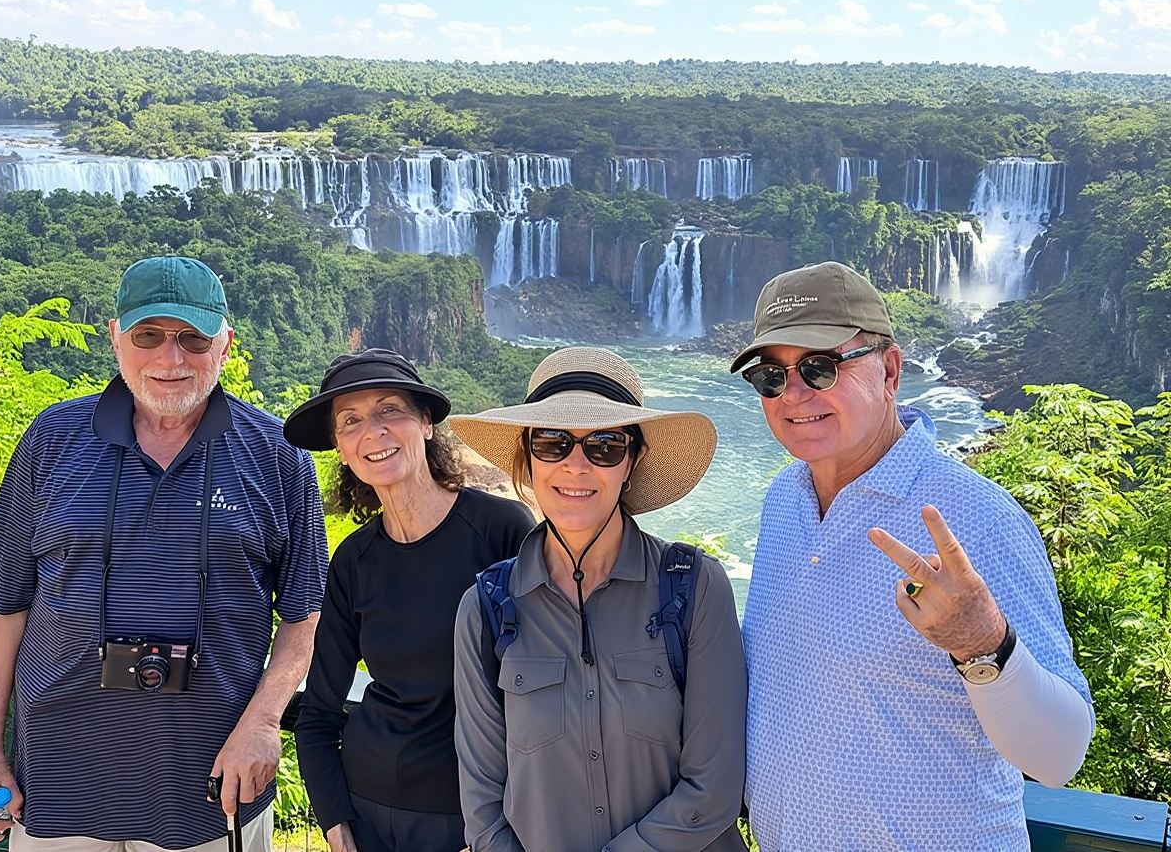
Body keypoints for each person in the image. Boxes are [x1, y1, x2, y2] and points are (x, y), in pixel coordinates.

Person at [0, 255, 327, 852]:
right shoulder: (52, 439)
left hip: (210, 788)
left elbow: (305, 615)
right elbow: (2, 608)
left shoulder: (278, 455)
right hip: (55, 779)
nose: (170, 359)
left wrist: (262, 723)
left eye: (193, 339)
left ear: (225, 344)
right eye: (148, 335)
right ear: (115, 338)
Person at [731, 261, 1093, 852]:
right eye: (772, 376)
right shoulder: (783, 501)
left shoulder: (974, 517)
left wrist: (983, 644)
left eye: (820, 368)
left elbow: (1061, 755)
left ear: (890, 370)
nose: (793, 395)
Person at [449, 346, 747, 852]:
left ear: (632, 462)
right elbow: (482, 805)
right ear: (527, 456)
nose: (577, 466)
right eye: (552, 442)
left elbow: (714, 787)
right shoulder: (485, 610)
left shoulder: (694, 588)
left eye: (605, 445)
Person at [283, 349, 535, 852]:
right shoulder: (354, 560)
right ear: (339, 445)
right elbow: (317, 715)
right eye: (350, 420)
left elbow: (548, 694)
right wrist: (335, 821)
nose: (372, 431)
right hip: (368, 812)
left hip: (474, 817)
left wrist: (507, 821)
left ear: (425, 423)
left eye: (389, 410)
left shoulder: (502, 531)